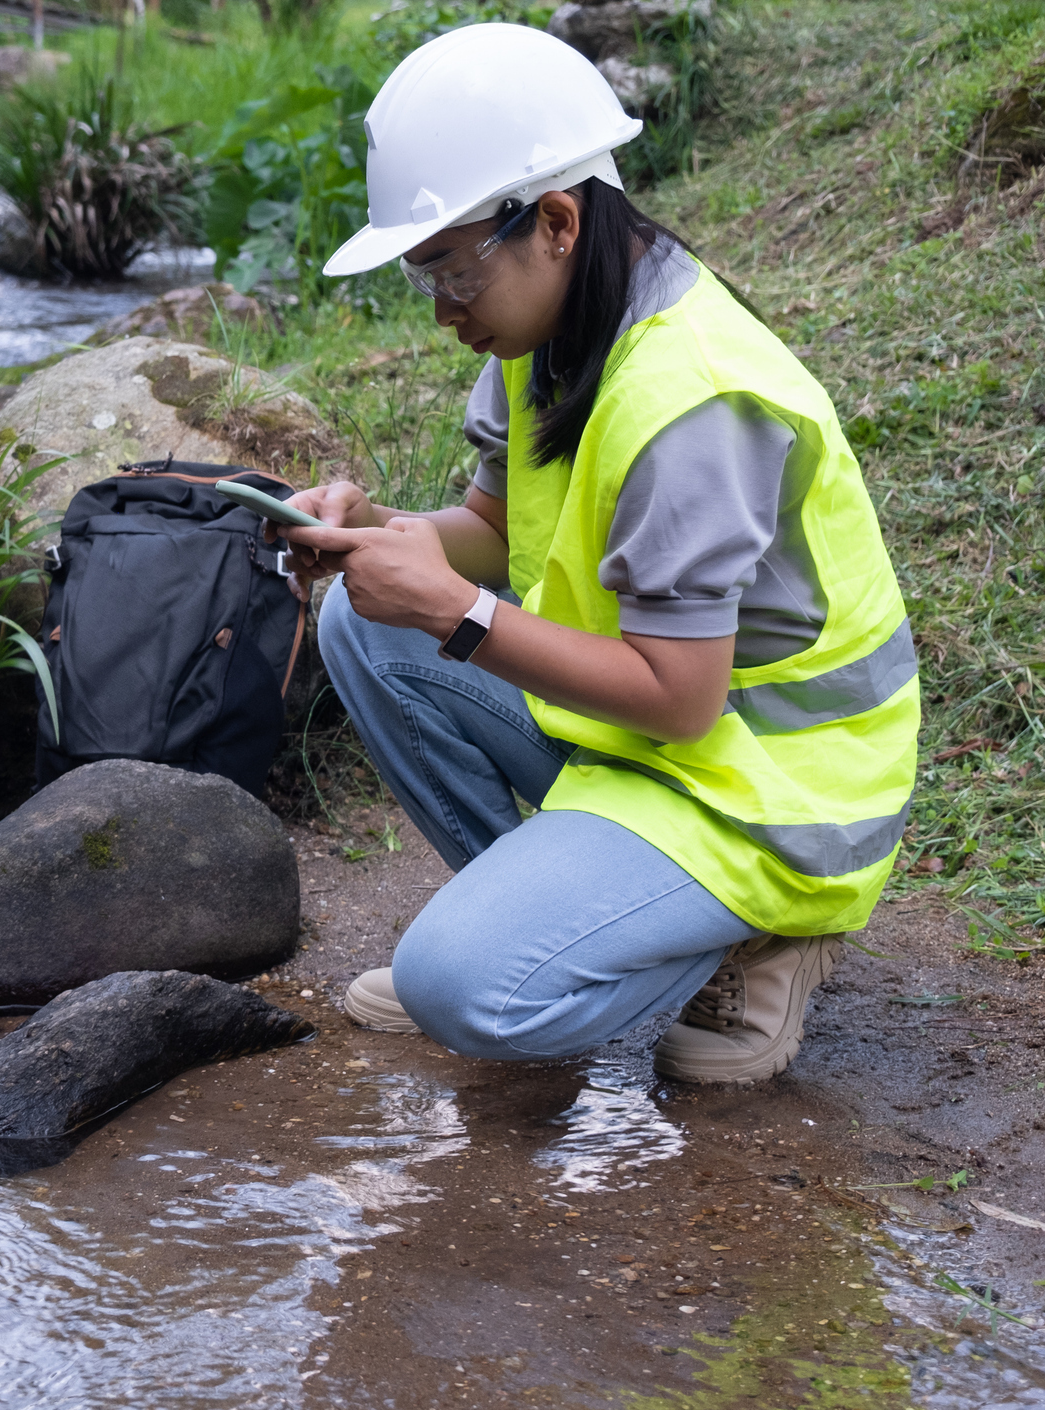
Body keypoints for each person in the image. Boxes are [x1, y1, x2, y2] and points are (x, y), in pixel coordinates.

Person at [275, 23, 919, 1085]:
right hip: (656, 746)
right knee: (359, 615)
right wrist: (372, 537)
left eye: (450, 273)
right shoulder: (554, 331)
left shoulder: (690, 398)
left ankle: (750, 942)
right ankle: (552, 927)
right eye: (420, 280)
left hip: (770, 789)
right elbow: (491, 533)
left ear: (558, 222)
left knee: (459, 989)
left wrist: (453, 612)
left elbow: (678, 699)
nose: (441, 313)